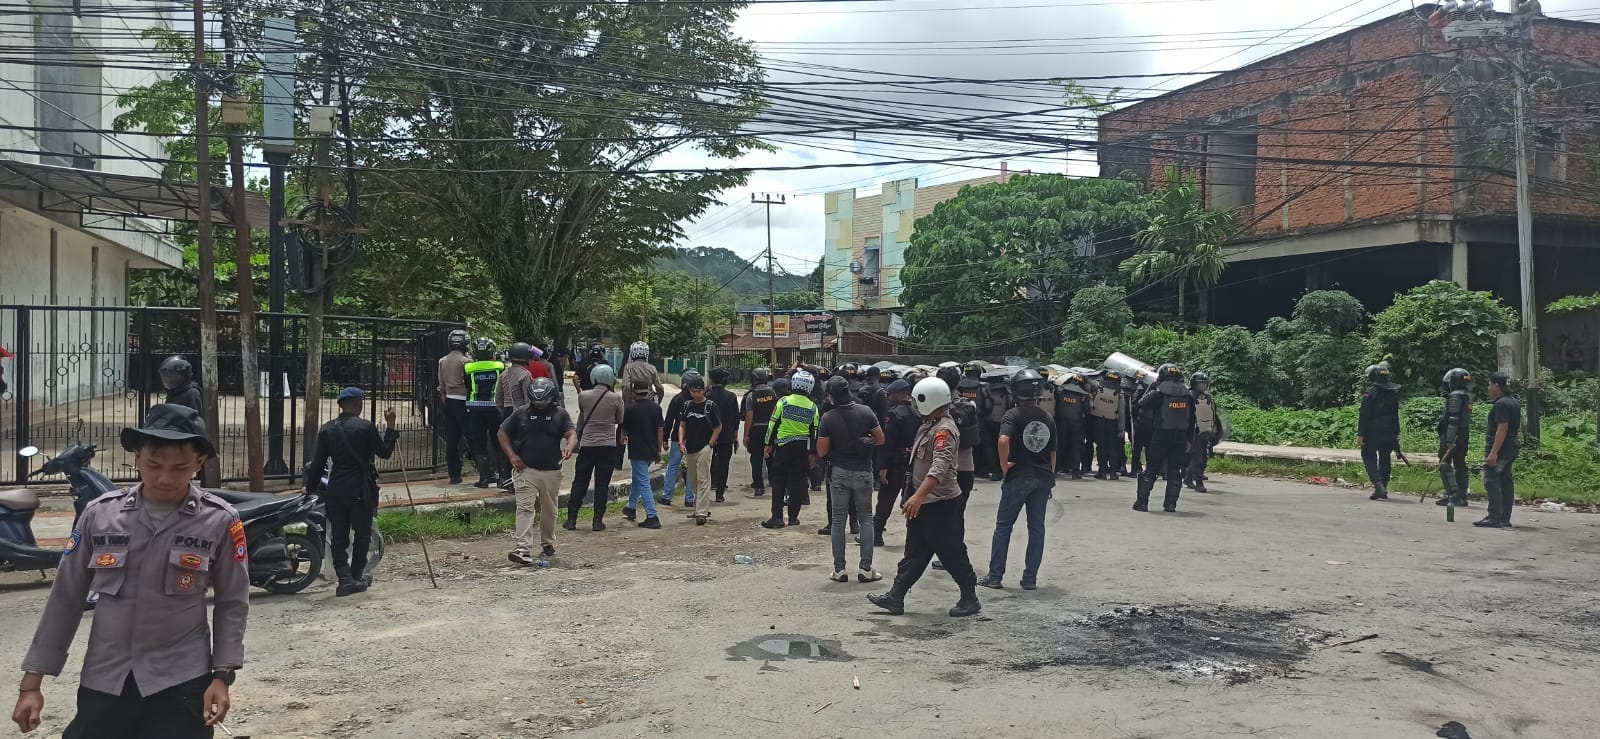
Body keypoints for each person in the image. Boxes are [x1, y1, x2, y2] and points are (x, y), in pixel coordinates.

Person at [13, 404, 248, 738]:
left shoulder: (219, 520)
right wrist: (32, 682)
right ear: (137, 456)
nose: (165, 477)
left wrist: (222, 675)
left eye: (180, 467)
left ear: (199, 463)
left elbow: (232, 602)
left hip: (180, 682)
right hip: (106, 678)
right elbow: (66, 597)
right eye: (153, 465)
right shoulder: (99, 515)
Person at [867, 377, 981, 618]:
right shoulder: (930, 424)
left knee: (952, 552)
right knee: (915, 553)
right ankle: (895, 597)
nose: (914, 404)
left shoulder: (944, 430)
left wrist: (917, 497)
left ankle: (970, 598)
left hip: (939, 503)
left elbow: (939, 468)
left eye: (919, 400)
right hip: (924, 503)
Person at [306, 387, 399, 595]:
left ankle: (345, 578)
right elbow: (384, 453)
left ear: (341, 405)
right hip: (360, 490)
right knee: (362, 534)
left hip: (336, 490)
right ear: (358, 405)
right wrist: (391, 426)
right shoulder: (365, 428)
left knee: (338, 537)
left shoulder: (327, 429)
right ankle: (356, 574)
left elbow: (317, 464)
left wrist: (310, 489)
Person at [978, 369, 1057, 591]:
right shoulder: (1048, 418)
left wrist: (1004, 466)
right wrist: (1050, 476)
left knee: (1003, 526)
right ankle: (1030, 579)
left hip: (1019, 476)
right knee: (1037, 528)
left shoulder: (1012, 415)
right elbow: (1052, 453)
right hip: (1042, 477)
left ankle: (995, 577)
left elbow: (1003, 440)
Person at [499, 378, 575, 564]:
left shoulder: (560, 415)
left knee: (550, 510)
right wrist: (512, 456)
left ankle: (547, 542)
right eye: (536, 402)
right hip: (526, 469)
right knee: (525, 508)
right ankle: (522, 548)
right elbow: (502, 432)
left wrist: (570, 447)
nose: (540, 406)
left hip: (551, 470)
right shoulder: (520, 414)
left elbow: (571, 434)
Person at [819, 375, 885, 583]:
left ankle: (839, 570)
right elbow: (881, 439)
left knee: (838, 521)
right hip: (863, 472)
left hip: (838, 472)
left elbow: (821, 452)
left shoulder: (828, 417)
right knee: (866, 519)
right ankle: (866, 569)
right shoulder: (865, 412)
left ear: (831, 396)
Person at [566, 364, 624, 532]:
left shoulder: (583, 396)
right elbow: (619, 420)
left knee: (580, 482)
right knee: (602, 484)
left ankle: (571, 520)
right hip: (607, 446)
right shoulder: (615, 398)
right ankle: (597, 521)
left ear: (593, 377)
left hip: (588, 445)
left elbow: (584, 413)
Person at [1132, 365, 1195, 513]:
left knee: (1151, 469)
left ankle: (1142, 503)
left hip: (1161, 435)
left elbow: (1140, 404)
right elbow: (1192, 419)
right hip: (1180, 437)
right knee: (1175, 471)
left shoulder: (1159, 392)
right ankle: (1170, 504)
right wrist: (1189, 440)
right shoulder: (1187, 394)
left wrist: (1153, 388)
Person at [762, 370, 818, 529]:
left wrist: (768, 444)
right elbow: (815, 432)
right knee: (797, 481)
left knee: (779, 481)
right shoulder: (813, 407)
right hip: (802, 449)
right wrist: (813, 453)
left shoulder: (783, 402)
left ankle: (777, 517)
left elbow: (772, 424)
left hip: (783, 447)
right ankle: (793, 517)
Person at [873, 379, 917, 547]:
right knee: (910, 500)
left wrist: (882, 467)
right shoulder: (918, 412)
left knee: (886, 499)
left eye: (891, 394)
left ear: (900, 394)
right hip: (912, 463)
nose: (889, 397)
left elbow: (886, 443)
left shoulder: (894, 414)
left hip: (894, 464)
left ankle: (876, 535)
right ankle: (912, 538)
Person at [1478, 371, 1522, 529]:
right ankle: (1504, 517)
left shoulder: (1501, 404)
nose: (1488, 388)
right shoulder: (1513, 402)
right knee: (1505, 480)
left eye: (1490, 384)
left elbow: (1502, 428)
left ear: (1497, 385)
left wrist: (1493, 453)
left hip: (1502, 446)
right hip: (1511, 445)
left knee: (1492, 479)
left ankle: (1494, 517)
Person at [677, 373, 722, 525]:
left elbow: (718, 427)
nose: (696, 394)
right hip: (690, 448)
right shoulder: (687, 406)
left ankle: (702, 513)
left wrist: (710, 444)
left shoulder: (710, 406)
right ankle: (699, 508)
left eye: (699, 391)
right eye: (693, 391)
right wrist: (681, 442)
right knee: (694, 480)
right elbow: (682, 425)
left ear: (704, 391)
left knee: (703, 479)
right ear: (690, 392)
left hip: (704, 447)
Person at [620, 380, 664, 529]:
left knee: (643, 482)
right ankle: (631, 507)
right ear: (648, 391)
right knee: (638, 478)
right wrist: (658, 450)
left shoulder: (630, 409)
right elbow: (660, 431)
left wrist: (622, 437)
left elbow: (624, 428)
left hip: (637, 450)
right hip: (651, 450)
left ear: (633, 392)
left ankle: (652, 516)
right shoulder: (656, 408)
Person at [464, 338, 506, 488]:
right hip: (495, 408)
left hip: (475, 408)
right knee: (499, 442)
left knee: (479, 444)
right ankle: (502, 478)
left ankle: (484, 479)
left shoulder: (469, 368)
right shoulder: (500, 366)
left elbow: (467, 386)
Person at [1358, 364, 1402, 500]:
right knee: (1385, 458)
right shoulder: (1393, 393)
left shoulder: (1370, 393)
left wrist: (1361, 434)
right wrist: (1396, 433)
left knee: (1368, 455)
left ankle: (1378, 486)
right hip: (1389, 430)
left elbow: (1364, 415)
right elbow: (1395, 415)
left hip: (1373, 431)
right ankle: (1383, 486)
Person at [658, 369, 701, 507]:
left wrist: (665, 439)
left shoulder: (677, 399)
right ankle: (689, 499)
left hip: (678, 438)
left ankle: (666, 496)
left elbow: (669, 420)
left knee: (673, 466)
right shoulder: (699, 401)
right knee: (691, 468)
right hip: (694, 440)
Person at [436, 329, 472, 484]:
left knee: (452, 439)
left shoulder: (442, 361)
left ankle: (454, 475)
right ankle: (485, 471)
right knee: (472, 436)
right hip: (464, 400)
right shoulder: (466, 362)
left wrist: (444, 396)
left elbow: (441, 384)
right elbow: (470, 383)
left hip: (449, 400)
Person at [1437, 368, 1473, 509]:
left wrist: (1450, 440)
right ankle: (1462, 495)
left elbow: (1453, 419)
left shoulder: (1455, 396)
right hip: (1464, 434)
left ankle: (1453, 494)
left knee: (1444, 462)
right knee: (1460, 463)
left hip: (1453, 435)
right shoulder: (1467, 396)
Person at [705, 368, 741, 503]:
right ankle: (720, 493)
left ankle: (708, 487)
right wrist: (736, 437)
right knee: (724, 463)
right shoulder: (731, 396)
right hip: (726, 435)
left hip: (708, 435)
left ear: (711, 380)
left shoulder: (707, 395)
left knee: (707, 462)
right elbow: (736, 418)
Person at [741, 368, 778, 497]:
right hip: (771, 428)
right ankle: (774, 482)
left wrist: (746, 435)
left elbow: (749, 417)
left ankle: (759, 487)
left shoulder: (751, 396)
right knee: (772, 456)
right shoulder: (773, 393)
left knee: (756, 459)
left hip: (756, 430)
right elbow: (775, 411)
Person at [1184, 372, 1220, 493]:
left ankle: (1188, 478)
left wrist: (1214, 428)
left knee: (1202, 456)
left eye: (1205, 384)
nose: (1203, 387)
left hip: (1206, 431)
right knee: (1197, 457)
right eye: (1200, 384)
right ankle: (1199, 482)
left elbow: (1213, 414)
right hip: (1193, 431)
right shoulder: (1188, 396)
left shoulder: (1209, 398)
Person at [1089, 370, 1125, 480]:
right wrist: (1121, 428)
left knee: (1101, 447)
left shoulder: (1098, 387)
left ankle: (1102, 472)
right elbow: (1122, 412)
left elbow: (1092, 405)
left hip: (1099, 421)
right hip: (1113, 422)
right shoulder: (1119, 393)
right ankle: (1113, 473)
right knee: (1113, 448)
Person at [1054, 372, 1089, 480]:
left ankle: (1055, 470)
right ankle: (1075, 472)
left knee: (1060, 446)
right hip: (1076, 424)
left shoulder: (1061, 391)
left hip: (1061, 423)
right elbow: (1087, 410)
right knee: (1076, 448)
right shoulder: (1083, 395)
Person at [496, 342, 537, 422]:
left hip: (506, 411)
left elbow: (498, 396)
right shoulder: (525, 374)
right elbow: (528, 397)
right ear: (526, 357)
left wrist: (501, 411)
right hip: (520, 410)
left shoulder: (504, 374)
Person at [621, 341, 663, 407]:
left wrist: (626, 402)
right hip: (649, 401)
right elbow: (660, 388)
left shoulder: (628, 367)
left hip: (634, 402)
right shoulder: (652, 368)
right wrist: (658, 401)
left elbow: (626, 386)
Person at [1125, 374, 1151, 477]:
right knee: (1138, 448)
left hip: (1144, 424)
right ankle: (1136, 468)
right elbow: (1135, 406)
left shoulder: (1152, 393)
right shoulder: (1141, 391)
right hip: (1141, 423)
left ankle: (1144, 469)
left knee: (1142, 448)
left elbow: (1136, 406)